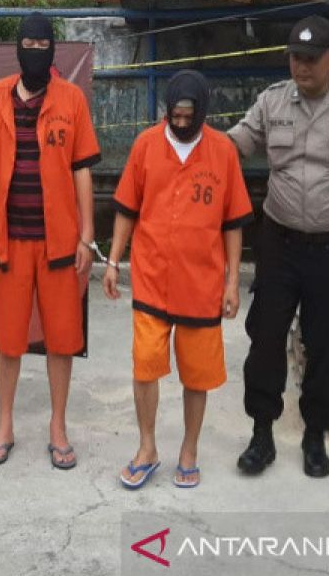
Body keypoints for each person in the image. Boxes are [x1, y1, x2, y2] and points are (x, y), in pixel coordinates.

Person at [227, 15, 329, 479]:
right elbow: (235, 146)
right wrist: (187, 143)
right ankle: (262, 433)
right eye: (295, 58)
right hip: (278, 241)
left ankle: (315, 435)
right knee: (265, 336)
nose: (301, 67)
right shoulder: (272, 102)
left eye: (310, 59)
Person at [102, 70, 253, 489]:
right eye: (176, 115)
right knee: (145, 366)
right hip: (151, 278)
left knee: (197, 374)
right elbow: (126, 209)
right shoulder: (146, 145)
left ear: (203, 112)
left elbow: (234, 223)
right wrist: (114, 262)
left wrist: (231, 283)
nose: (182, 123)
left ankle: (189, 449)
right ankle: (147, 447)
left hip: (201, 286)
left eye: (190, 116)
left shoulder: (222, 151)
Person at [0, 12, 100, 470]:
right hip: (9, 242)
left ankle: (58, 427)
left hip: (59, 245)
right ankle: (5, 424)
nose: (33, 49)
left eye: (41, 43)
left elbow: (83, 169)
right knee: (9, 342)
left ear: (52, 49)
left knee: (61, 341)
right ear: (17, 47)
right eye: (26, 42)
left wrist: (87, 235)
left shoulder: (71, 99)